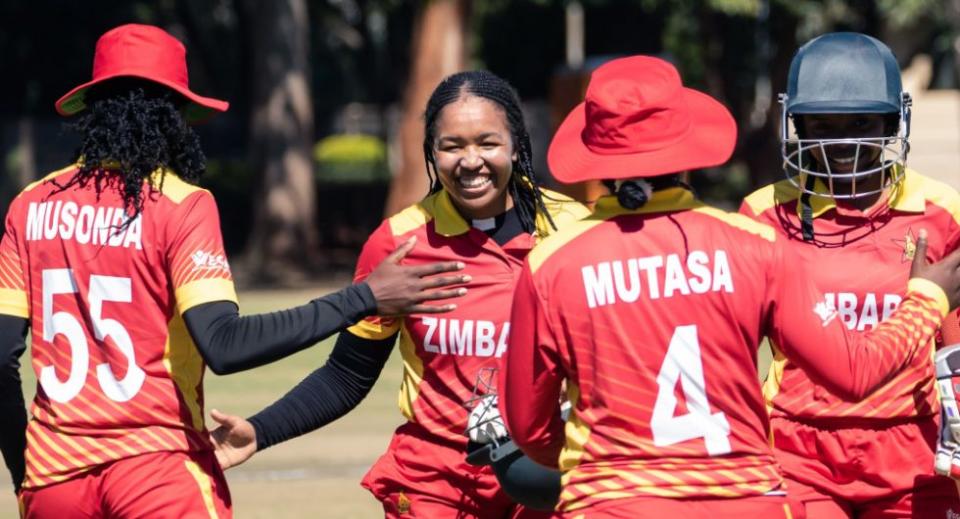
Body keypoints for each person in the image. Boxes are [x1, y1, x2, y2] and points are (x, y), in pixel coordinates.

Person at [0, 23, 467, 518]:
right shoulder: (179, 204)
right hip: (157, 474)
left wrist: (24, 470)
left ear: (92, 111)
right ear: (171, 116)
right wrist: (361, 297)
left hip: (54, 480)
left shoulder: (30, 205)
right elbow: (224, 345)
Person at [499, 54, 960, 518]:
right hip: (745, 501)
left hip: (614, 503)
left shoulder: (551, 263)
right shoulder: (754, 242)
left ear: (596, 154)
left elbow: (530, 429)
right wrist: (925, 298)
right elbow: (856, 372)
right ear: (687, 141)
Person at [208, 70, 590, 518]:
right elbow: (347, 375)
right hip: (436, 484)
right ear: (431, 151)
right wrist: (260, 430)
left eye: (487, 143)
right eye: (452, 146)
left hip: (545, 475)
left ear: (516, 144)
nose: (471, 161)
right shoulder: (401, 244)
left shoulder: (572, 231)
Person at [737, 32, 960, 518]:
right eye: (822, 124)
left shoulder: (942, 212)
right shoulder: (762, 215)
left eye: (860, 121)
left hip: (912, 447)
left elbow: (955, 347)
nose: (843, 141)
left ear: (891, 119)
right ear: (796, 123)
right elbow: (732, 350)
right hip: (800, 449)